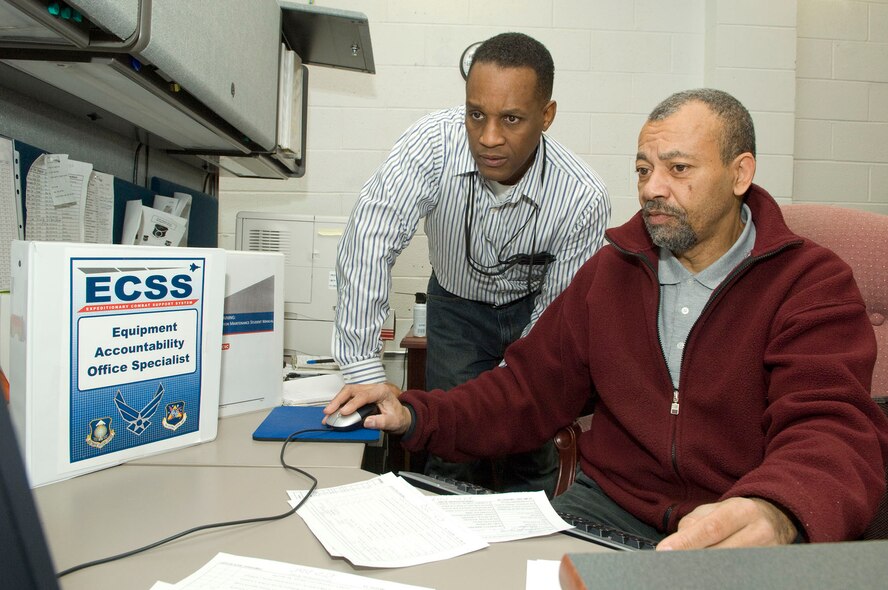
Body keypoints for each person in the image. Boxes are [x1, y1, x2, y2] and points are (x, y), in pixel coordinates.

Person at [325, 88, 888, 549]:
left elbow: (831, 428)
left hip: (735, 523)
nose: (652, 189)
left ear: (740, 174)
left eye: (679, 168)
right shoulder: (613, 271)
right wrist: (412, 414)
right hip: (607, 511)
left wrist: (778, 510)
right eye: (643, 169)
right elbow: (524, 392)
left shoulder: (810, 283)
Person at [332, 32, 610, 495]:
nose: (488, 138)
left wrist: (508, 400)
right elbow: (369, 242)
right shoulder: (432, 144)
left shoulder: (582, 197)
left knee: (530, 448)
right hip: (457, 308)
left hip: (536, 315)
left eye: (512, 119)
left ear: (546, 116)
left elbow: (555, 320)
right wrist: (363, 370)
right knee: (451, 453)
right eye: (475, 114)